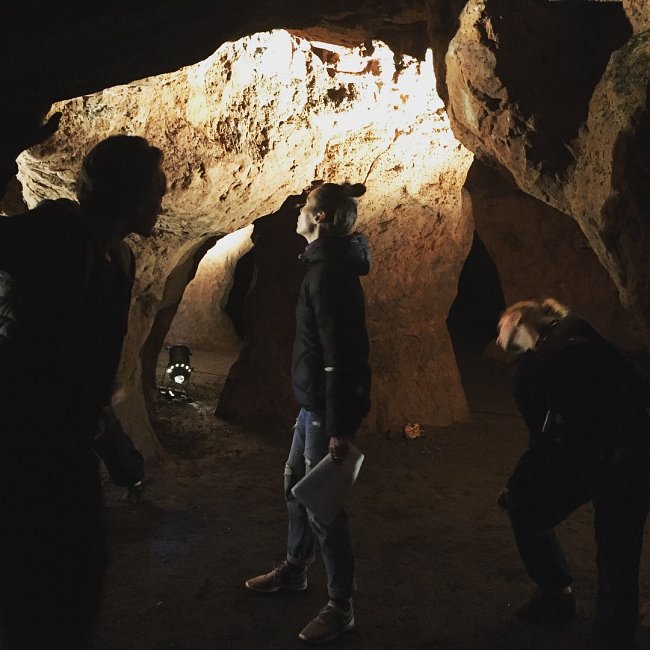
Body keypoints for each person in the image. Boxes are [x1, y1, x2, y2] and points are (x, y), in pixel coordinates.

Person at [0, 134, 166, 649]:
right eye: (155, 190)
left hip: (64, 443)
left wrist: (109, 439)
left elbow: (87, 369)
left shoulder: (119, 260)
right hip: (19, 441)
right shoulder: (54, 231)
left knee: (76, 576)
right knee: (41, 584)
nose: (163, 198)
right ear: (129, 193)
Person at [245, 181, 372, 645]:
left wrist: (340, 426)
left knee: (323, 506)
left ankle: (341, 608)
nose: (298, 210)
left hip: (323, 409)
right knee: (295, 486)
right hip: (312, 407)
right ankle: (296, 571)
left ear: (319, 219)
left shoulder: (328, 274)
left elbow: (342, 354)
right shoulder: (323, 266)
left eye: (305, 206)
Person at [496, 298, 650, 650]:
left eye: (501, 325)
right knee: (617, 556)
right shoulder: (579, 329)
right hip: (629, 452)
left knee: (527, 507)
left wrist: (518, 483)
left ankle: (562, 599)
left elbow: (547, 440)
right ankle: (610, 632)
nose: (498, 334)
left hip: (605, 459)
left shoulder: (537, 368)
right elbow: (635, 379)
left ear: (519, 321)